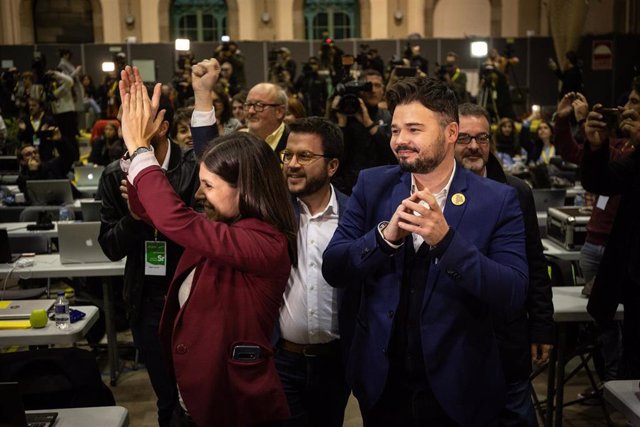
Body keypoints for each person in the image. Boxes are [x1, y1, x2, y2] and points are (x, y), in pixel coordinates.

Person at [322, 76, 528, 426]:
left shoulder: (498, 199)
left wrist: (447, 242)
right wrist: (385, 238)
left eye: (414, 129)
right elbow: (334, 267)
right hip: (382, 389)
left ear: (450, 133)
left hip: (459, 393)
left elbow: (512, 291)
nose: (400, 141)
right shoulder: (372, 186)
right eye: (395, 130)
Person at [119, 73, 297, 426]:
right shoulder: (222, 229)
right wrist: (143, 148)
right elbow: (148, 210)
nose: (199, 196)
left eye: (208, 186)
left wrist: (141, 151)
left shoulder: (265, 242)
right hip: (193, 400)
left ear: (244, 187)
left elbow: (175, 219)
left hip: (233, 407)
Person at [97, 68, 198, 427]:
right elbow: (109, 246)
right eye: (127, 116)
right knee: (166, 396)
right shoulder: (114, 174)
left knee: (198, 396)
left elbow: (202, 233)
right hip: (146, 299)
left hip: (191, 294)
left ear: (164, 126)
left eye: (139, 117)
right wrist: (134, 219)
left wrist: (153, 209)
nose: (129, 125)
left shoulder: (194, 167)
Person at [455, 103, 554, 426]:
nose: (474, 146)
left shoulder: (516, 192)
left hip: (507, 336)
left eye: (482, 138)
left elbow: (535, 264)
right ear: (449, 138)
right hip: (454, 338)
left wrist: (541, 326)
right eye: (465, 138)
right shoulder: (434, 192)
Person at [274, 117, 350, 426]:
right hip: (282, 360)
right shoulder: (273, 212)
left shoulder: (354, 214)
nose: (292, 164)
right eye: (288, 155)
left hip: (337, 363)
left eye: (304, 156)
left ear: (332, 166)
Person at [583, 80, 640, 380]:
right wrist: (596, 146)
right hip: (633, 285)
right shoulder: (634, 156)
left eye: (634, 102)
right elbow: (601, 182)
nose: (626, 110)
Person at [15, 127, 75, 197]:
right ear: (22, 161)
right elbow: (34, 196)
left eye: (35, 152)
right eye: (28, 154)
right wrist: (33, 172)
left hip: (70, 201)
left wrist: (59, 141)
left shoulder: (52, 166)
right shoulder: (22, 179)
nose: (34, 155)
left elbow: (69, 156)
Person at [244, 82, 289, 153]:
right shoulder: (238, 142)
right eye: (248, 104)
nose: (251, 111)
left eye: (259, 105)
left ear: (279, 111)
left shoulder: (295, 142)